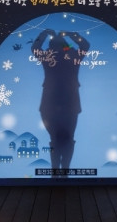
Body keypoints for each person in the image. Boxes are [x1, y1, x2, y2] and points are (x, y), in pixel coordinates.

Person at [31, 29, 90, 174]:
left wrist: (44, 34)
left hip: (50, 104)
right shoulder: (72, 55)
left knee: (56, 138)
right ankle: (63, 171)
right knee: (68, 138)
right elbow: (85, 45)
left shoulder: (48, 56)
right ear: (65, 46)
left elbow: (35, 48)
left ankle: (56, 171)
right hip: (69, 104)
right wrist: (71, 35)